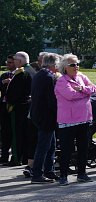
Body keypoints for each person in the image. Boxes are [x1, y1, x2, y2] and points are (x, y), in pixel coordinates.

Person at [54, 54, 96, 185]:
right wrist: (85, 94)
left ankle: (82, 173)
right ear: (65, 67)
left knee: (83, 147)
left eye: (77, 64)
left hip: (84, 118)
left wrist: (83, 89)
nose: (76, 67)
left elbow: (94, 88)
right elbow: (70, 95)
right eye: (72, 65)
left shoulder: (82, 77)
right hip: (68, 120)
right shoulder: (62, 81)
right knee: (67, 148)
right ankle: (63, 175)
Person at [28, 53, 60, 183]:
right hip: (46, 116)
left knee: (51, 145)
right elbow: (51, 100)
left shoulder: (39, 75)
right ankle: (37, 174)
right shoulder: (48, 77)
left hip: (38, 114)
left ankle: (49, 170)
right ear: (53, 64)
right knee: (43, 146)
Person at [6, 52, 33, 168]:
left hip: (19, 108)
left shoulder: (23, 73)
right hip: (25, 107)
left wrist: (11, 102)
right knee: (23, 133)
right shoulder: (28, 71)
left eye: (15, 59)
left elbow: (16, 93)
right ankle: (24, 157)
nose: (14, 61)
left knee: (18, 134)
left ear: (20, 61)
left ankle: (17, 157)